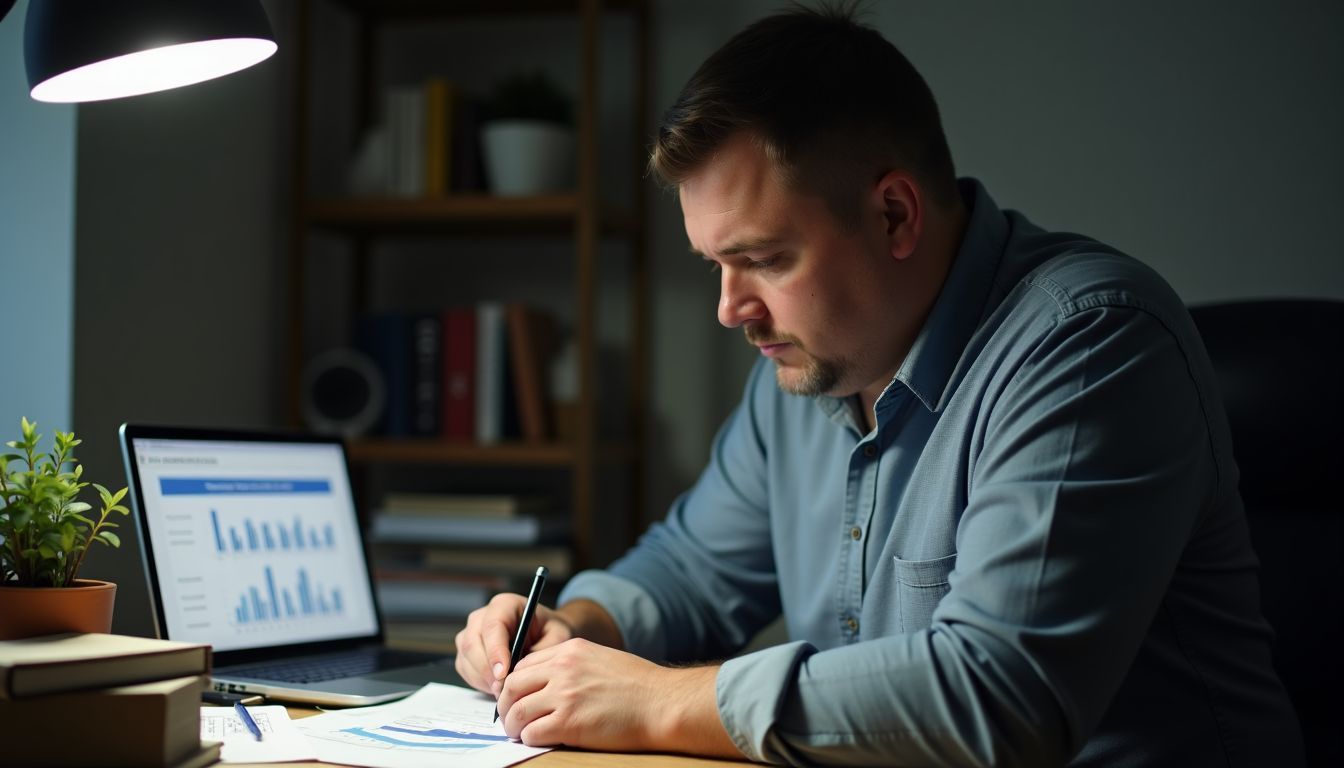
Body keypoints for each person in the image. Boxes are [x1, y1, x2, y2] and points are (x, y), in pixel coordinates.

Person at [455, 5, 1303, 765]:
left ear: (895, 214)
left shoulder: (1089, 344)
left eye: (763, 260)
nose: (729, 309)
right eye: (715, 265)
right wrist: (577, 628)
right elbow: (691, 567)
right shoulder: (802, 364)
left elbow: (1001, 699)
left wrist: (659, 700)